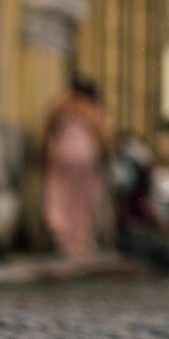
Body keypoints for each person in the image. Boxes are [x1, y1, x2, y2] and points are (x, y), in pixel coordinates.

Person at [40, 76, 113, 260]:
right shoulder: (91, 109)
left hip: (61, 155)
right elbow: (104, 136)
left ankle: (60, 236)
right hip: (85, 159)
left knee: (58, 195)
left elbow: (46, 131)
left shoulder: (60, 106)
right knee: (82, 200)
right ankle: (78, 243)